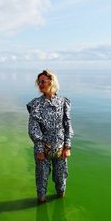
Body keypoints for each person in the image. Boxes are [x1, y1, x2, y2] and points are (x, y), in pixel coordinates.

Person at [26, 70, 74, 203]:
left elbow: (67, 124)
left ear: (51, 82)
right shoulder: (35, 104)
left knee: (61, 178)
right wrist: (40, 149)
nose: (40, 85)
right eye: (38, 82)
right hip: (43, 150)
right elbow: (33, 128)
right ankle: (41, 203)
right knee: (41, 180)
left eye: (43, 82)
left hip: (60, 149)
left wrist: (67, 146)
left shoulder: (63, 102)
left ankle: (60, 199)